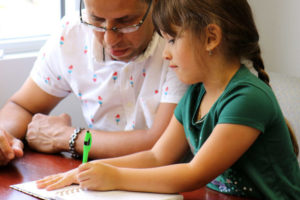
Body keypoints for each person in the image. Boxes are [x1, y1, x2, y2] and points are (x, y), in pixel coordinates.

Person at [36, 0, 300, 199]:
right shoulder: (196, 93)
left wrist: (115, 176)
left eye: (172, 40)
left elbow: (193, 174)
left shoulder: (247, 99)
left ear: (211, 38)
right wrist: (86, 170)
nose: (165, 54)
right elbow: (156, 155)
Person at [0, 0, 188, 166]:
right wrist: (4, 138)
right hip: (99, 178)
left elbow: (160, 144)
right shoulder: (72, 34)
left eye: (125, 22)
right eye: (97, 20)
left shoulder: (180, 42)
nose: (110, 39)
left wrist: (67, 137)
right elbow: (22, 106)